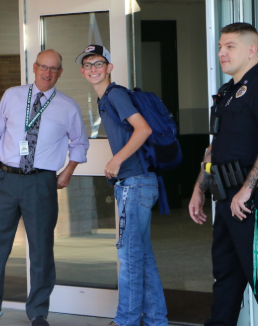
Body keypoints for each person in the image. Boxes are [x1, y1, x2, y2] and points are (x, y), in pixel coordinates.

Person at [0, 49, 89, 326]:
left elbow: (80, 143)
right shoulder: (13, 95)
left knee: (41, 249)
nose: (48, 73)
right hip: (5, 180)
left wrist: (68, 170)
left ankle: (38, 311)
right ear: (34, 68)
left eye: (54, 69)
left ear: (60, 72)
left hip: (40, 183)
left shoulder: (67, 106)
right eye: (43, 67)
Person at [187, 22, 258, 326]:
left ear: (251, 50)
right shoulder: (227, 92)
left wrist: (246, 190)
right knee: (226, 277)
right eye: (220, 46)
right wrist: (199, 188)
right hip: (225, 198)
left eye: (229, 46)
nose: (221, 52)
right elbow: (216, 147)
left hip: (251, 201)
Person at [78, 45, 166, 326]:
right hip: (138, 183)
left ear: (109, 67)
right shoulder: (105, 99)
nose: (93, 69)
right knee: (142, 256)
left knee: (129, 257)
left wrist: (115, 161)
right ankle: (155, 320)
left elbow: (143, 129)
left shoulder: (115, 94)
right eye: (88, 64)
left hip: (135, 183)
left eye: (99, 63)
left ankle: (125, 320)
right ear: (82, 71)